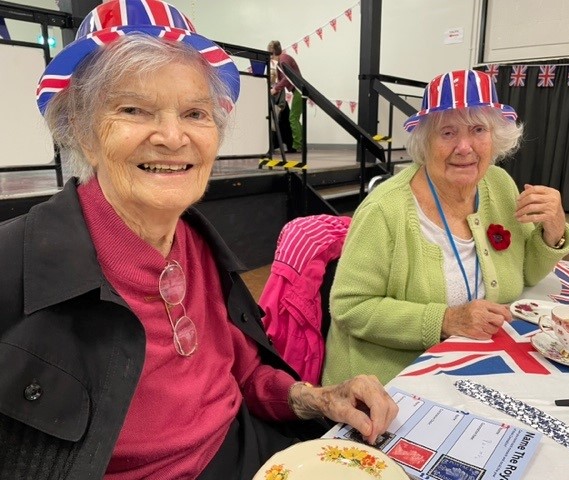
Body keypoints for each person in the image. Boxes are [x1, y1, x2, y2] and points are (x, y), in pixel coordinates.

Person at [0, 1, 398, 479]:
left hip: (250, 454)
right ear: (83, 131)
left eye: (194, 112)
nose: (173, 136)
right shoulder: (14, 266)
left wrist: (317, 398)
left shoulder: (200, 245)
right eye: (133, 109)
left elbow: (244, 375)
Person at [322, 70, 569, 386]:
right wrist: (445, 320)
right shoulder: (384, 210)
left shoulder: (499, 185)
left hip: (477, 364)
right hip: (391, 382)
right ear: (425, 141)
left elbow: (525, 274)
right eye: (448, 133)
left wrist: (554, 229)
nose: (465, 147)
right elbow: (349, 307)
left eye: (478, 130)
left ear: (494, 136)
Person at [268, 40, 302, 153]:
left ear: (272, 53)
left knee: (293, 118)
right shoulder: (283, 59)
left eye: (270, 54)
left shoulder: (283, 61)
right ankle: (300, 143)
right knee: (295, 119)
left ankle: (298, 145)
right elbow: (283, 78)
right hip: (297, 90)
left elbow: (287, 78)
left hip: (299, 90)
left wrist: (276, 89)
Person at [269, 60, 293, 153]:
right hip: (268, 109)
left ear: (275, 76)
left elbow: (282, 103)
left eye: (273, 75)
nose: (271, 76)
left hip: (278, 109)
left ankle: (272, 146)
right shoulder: (265, 85)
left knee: (273, 123)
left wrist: (277, 108)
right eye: (270, 75)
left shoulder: (279, 87)